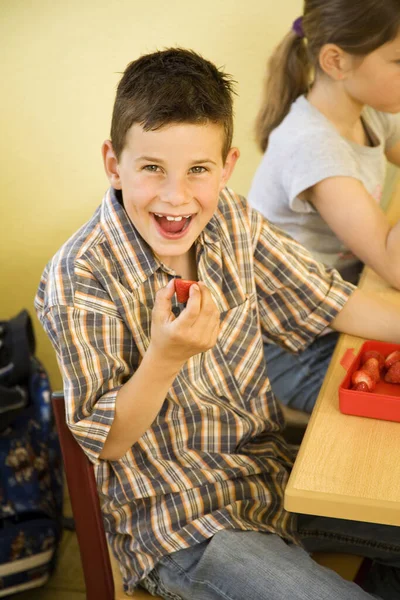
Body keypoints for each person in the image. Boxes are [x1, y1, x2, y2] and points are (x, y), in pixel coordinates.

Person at [35, 48, 400, 600]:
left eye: (198, 170)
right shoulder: (78, 276)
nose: (176, 196)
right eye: (152, 167)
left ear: (226, 167)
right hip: (179, 528)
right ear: (114, 163)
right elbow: (106, 443)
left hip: (271, 480)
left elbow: (332, 303)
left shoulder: (230, 218)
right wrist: (165, 358)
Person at [248, 0, 400, 414]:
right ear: (336, 61)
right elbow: (394, 264)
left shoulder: (369, 112)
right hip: (296, 346)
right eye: (399, 61)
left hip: (348, 305)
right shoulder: (313, 146)